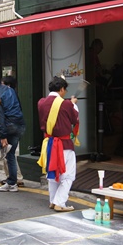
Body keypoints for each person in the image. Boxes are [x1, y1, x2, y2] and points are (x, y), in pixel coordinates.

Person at [37, 76, 79, 212]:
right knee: (68, 175)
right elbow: (74, 118)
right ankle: (59, 202)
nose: (65, 93)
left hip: (48, 144)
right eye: (64, 90)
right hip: (64, 144)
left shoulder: (41, 102)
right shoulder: (65, 104)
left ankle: (53, 200)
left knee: (53, 173)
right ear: (61, 89)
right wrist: (73, 104)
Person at [0, 76, 24, 187]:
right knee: (11, 154)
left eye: (2, 83)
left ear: (7, 85)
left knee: (8, 154)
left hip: (9, 126)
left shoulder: (6, 94)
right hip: (19, 125)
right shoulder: (14, 94)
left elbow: (1, 114)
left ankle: (13, 179)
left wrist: (2, 133)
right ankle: (15, 178)